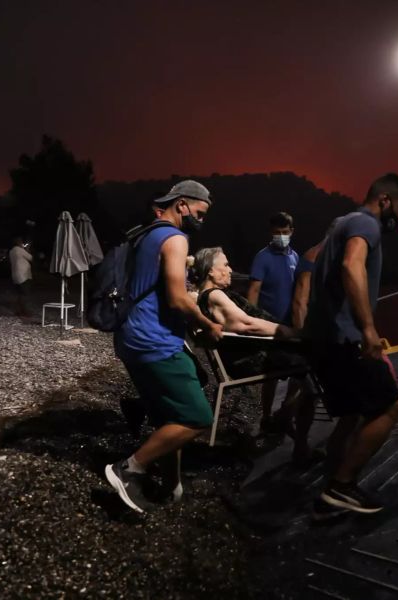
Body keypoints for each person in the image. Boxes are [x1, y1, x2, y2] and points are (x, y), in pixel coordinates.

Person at [105, 180, 223, 514]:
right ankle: (129, 469)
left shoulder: (146, 234)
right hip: (155, 340)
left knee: (171, 418)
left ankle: (172, 486)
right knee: (198, 418)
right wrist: (207, 323)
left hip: (130, 337)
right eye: (199, 213)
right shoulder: (174, 238)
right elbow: (176, 297)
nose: (201, 221)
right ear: (182, 205)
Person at [305, 173, 398, 518]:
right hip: (345, 339)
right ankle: (340, 486)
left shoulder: (341, 224)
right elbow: (352, 265)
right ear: (383, 200)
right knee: (391, 407)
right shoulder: (365, 224)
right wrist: (368, 329)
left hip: (324, 340)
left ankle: (329, 489)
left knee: (352, 414)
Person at [191, 247, 324, 465]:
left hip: (246, 354)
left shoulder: (204, 297)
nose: (230, 269)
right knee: (315, 372)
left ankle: (285, 417)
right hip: (249, 358)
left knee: (309, 369)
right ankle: (295, 436)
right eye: (224, 265)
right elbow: (247, 325)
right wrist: (291, 332)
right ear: (211, 272)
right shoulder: (214, 295)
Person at [247, 212, 300, 434]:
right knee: (271, 376)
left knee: (299, 372)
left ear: (291, 231)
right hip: (269, 325)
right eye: (276, 233)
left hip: (292, 325)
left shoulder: (295, 257)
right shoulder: (262, 257)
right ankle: (267, 417)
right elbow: (254, 291)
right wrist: (251, 321)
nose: (280, 236)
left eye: (284, 232)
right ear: (271, 233)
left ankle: (285, 413)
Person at [9, 236, 34, 317]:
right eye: (21, 242)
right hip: (23, 275)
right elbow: (30, 258)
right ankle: (24, 311)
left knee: (20, 294)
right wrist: (27, 249)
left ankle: (19, 311)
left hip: (15, 276)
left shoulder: (11, 251)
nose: (22, 243)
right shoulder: (20, 250)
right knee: (25, 294)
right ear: (18, 243)